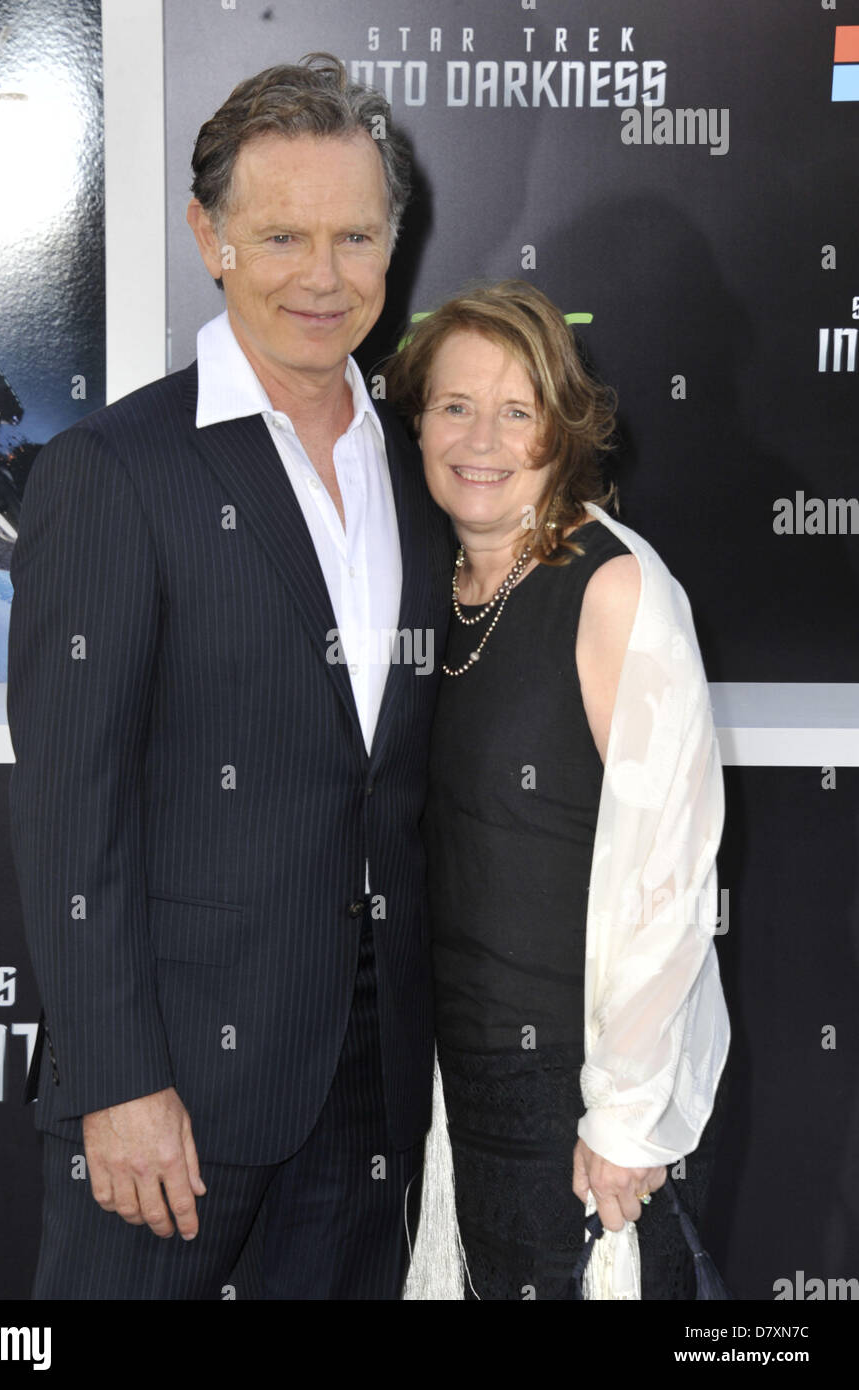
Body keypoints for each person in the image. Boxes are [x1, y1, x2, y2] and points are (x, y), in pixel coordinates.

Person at [7, 53, 452, 1301]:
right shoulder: (115, 468)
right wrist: (113, 1077)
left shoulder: (423, 470)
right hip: (172, 1092)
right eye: (281, 235)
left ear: (392, 242)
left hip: (375, 1083)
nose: (323, 274)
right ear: (208, 236)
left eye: (355, 234)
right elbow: (67, 807)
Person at [386, 281, 730, 1300]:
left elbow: (667, 874)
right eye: (452, 405)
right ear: (415, 421)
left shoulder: (613, 587)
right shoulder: (427, 589)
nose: (478, 437)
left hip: (573, 1094)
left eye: (514, 409)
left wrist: (622, 1119)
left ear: (561, 431)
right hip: (452, 1081)